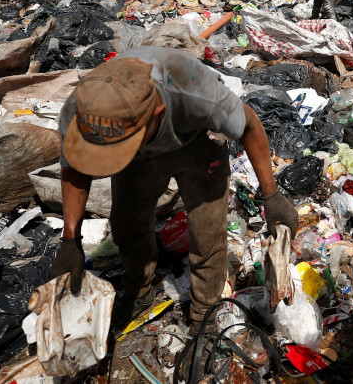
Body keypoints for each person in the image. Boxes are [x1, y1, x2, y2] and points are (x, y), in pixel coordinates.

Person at [48, 48, 300, 333]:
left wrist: (272, 195)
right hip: (138, 159)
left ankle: (204, 314)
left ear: (158, 114)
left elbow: (251, 125)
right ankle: (139, 291)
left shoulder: (197, 95)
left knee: (206, 233)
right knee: (127, 225)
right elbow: (76, 168)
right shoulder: (82, 112)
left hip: (197, 143)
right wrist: (71, 240)